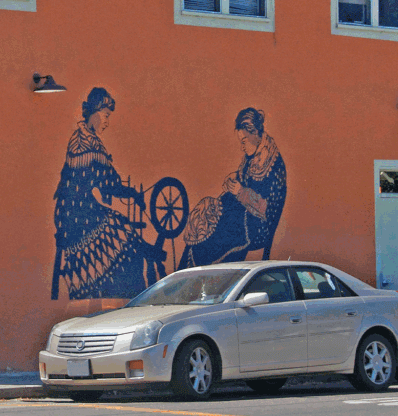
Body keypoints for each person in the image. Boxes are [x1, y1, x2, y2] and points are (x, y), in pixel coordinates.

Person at [51, 87, 163, 300]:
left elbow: (105, 183)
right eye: (105, 115)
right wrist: (133, 194)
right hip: (79, 218)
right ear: (93, 113)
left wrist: (128, 193)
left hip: (73, 214)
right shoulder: (86, 145)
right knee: (126, 237)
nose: (107, 121)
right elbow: (109, 184)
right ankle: (132, 295)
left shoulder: (83, 139)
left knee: (124, 228)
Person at [179, 108, 287, 268]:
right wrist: (233, 179)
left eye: (244, 141)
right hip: (239, 214)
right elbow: (245, 178)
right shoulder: (252, 156)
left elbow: (267, 209)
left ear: (255, 132)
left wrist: (240, 191)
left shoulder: (273, 163)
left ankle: (195, 275)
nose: (242, 146)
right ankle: (182, 273)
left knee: (214, 234)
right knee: (204, 215)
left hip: (255, 227)